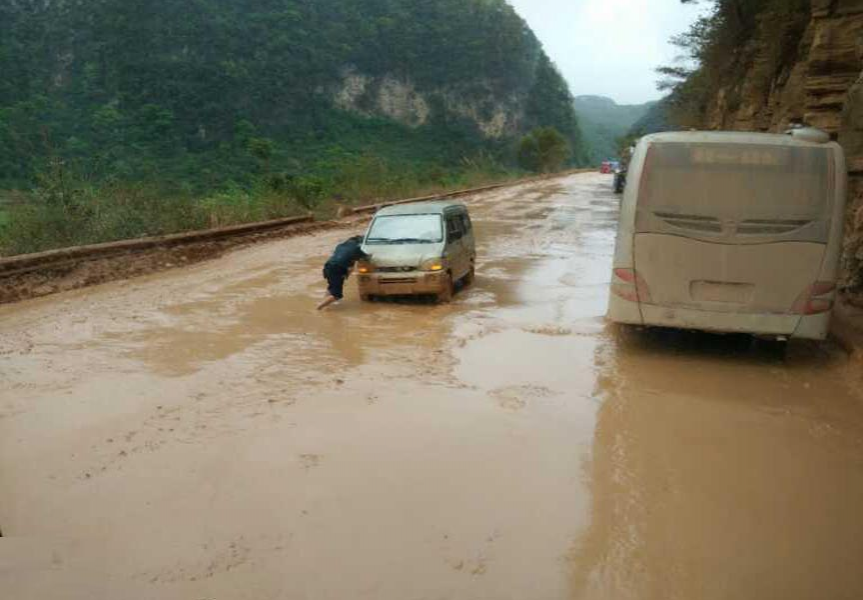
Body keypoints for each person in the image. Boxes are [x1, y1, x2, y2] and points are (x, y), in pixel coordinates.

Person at [317, 235, 370, 310]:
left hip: (328, 266)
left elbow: (346, 259)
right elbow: (367, 258)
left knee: (331, 287)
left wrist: (346, 275)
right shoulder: (357, 249)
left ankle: (325, 304)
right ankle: (319, 308)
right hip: (337, 269)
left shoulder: (340, 246)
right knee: (337, 295)